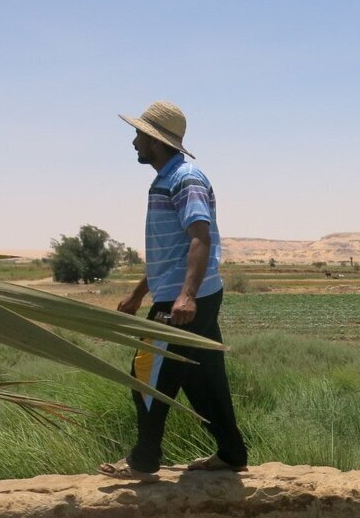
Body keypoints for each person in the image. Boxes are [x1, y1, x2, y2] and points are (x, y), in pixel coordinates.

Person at [98, 101, 248, 481]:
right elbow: (171, 252)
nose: (134, 142)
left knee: (145, 372)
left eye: (138, 135)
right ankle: (231, 453)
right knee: (203, 378)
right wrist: (137, 293)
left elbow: (200, 236)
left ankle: (144, 461)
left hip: (184, 300)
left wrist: (186, 296)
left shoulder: (186, 178)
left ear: (154, 139)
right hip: (187, 295)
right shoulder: (166, 178)